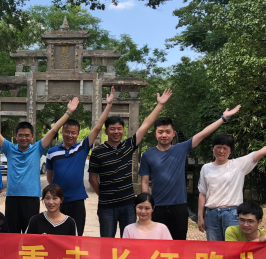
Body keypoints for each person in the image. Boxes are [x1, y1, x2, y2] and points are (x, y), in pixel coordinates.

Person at [0, 95, 79, 233]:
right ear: (16, 136)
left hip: (31, 199)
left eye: (27, 135)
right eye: (20, 135)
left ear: (32, 137)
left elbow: (53, 130)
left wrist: (68, 112)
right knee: (12, 235)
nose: (24, 138)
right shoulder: (9, 148)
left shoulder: (38, 148)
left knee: (31, 235)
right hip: (12, 198)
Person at [139, 105, 242, 240]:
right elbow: (144, 182)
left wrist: (223, 118)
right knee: (157, 243)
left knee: (179, 242)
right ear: (155, 134)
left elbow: (203, 134)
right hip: (157, 206)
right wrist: (146, 206)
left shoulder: (181, 149)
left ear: (173, 134)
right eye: (160, 132)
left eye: (168, 132)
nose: (164, 135)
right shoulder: (148, 155)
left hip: (179, 206)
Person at [88, 89, 172, 238]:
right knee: (107, 242)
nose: (116, 131)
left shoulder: (128, 145)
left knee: (130, 242)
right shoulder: (97, 152)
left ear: (123, 130)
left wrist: (160, 105)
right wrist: (104, 195)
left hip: (128, 204)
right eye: (112, 129)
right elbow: (92, 179)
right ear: (106, 131)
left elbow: (145, 125)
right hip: (106, 207)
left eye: (119, 128)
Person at [198, 128, 266, 241]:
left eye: (225, 148)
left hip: (231, 213)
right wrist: (200, 216)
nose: (221, 151)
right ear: (213, 148)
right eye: (218, 147)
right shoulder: (206, 168)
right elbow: (202, 193)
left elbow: (262, 152)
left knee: (234, 247)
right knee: (214, 248)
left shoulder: (238, 164)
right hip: (211, 214)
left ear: (230, 151)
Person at [45, 86, 115, 236]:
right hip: (57, 201)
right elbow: (50, 177)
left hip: (77, 200)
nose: (70, 135)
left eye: (73, 133)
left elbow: (98, 127)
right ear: (62, 132)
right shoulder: (52, 152)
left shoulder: (82, 148)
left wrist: (108, 105)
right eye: (67, 132)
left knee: (76, 236)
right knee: (56, 235)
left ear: (77, 134)